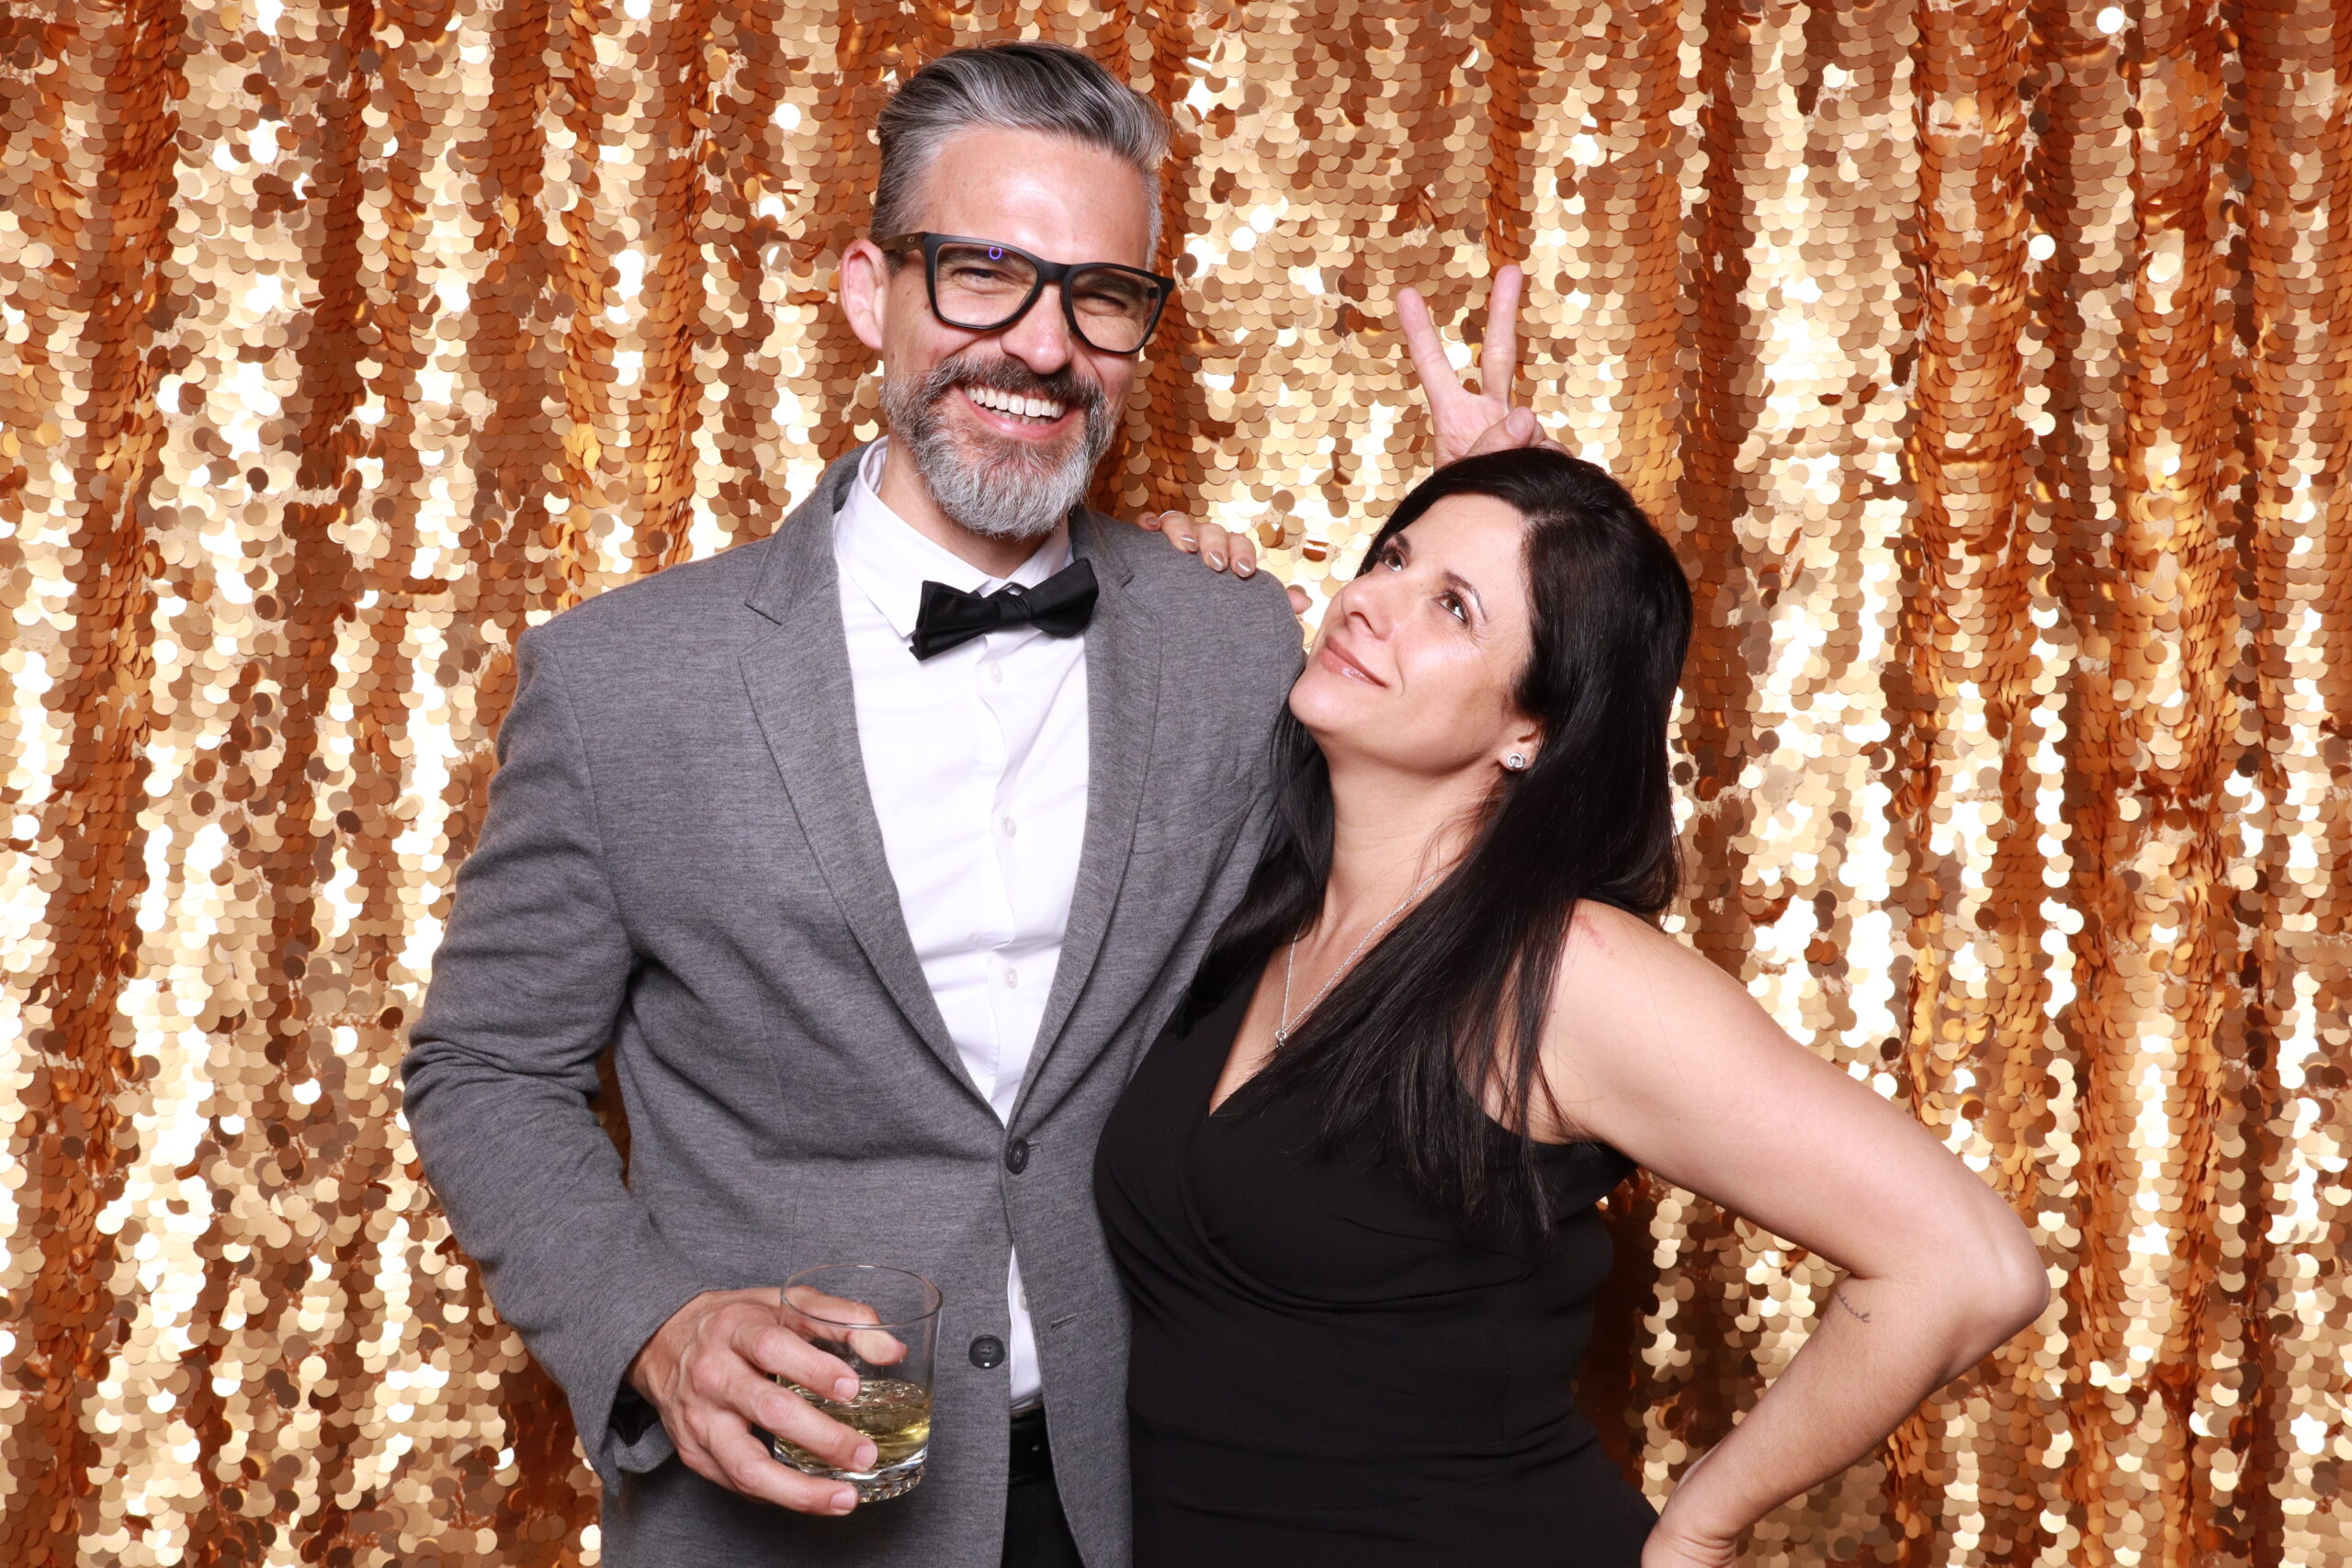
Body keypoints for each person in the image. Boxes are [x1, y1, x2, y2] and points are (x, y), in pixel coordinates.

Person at [401, 40, 1316, 1568]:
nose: (1043, 346)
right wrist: (654, 1326)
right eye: (982, 274)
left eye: (1101, 295)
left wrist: (1523, 550)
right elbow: (487, 1065)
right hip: (788, 1505)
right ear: (865, 291)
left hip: (1155, 1486)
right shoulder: (624, 680)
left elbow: (1428, 956)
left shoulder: (1233, 644)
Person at [1094, 446, 2053, 1567]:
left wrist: (1698, 1528)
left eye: (1451, 607)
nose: (1369, 600)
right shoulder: (1257, 904)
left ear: (1531, 732)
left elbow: (1970, 1265)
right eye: (1391, 558)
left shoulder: (1560, 972)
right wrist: (1149, 579)